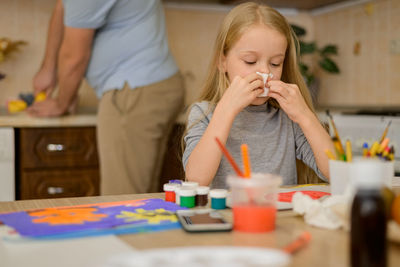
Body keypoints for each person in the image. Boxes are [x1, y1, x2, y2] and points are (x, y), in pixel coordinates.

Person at [29, 0, 185, 194]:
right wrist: (48, 67)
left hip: (134, 92)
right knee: (142, 200)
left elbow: (74, 57)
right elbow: (63, 5)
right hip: (151, 86)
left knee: (122, 203)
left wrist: (62, 101)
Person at [182, 2, 334, 188]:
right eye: (250, 61)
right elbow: (196, 180)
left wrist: (305, 116)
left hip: (277, 216)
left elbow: (334, 173)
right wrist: (225, 111)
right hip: (224, 216)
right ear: (222, 62)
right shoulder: (204, 113)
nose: (265, 72)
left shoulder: (287, 117)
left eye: (275, 63)